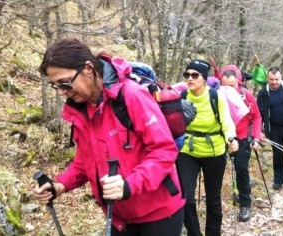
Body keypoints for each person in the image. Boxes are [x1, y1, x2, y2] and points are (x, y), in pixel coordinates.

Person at [34, 39, 185, 236]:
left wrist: (130, 184)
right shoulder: (82, 109)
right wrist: (61, 184)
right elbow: (85, 160)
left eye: (65, 83)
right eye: (56, 86)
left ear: (88, 69)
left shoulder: (131, 96)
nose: (62, 92)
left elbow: (164, 150)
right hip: (119, 215)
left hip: (159, 214)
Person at [176, 59, 238, 236]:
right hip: (188, 150)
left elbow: (226, 121)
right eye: (187, 75)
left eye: (194, 75)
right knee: (186, 198)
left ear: (203, 78)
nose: (190, 78)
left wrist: (231, 138)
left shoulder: (215, 96)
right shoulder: (181, 97)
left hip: (214, 151)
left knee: (213, 199)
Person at [220, 65, 262, 222]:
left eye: (232, 85)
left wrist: (256, 137)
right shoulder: (216, 96)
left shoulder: (247, 95)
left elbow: (257, 116)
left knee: (241, 168)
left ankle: (245, 203)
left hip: (244, 137)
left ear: (238, 83)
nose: (228, 89)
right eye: (225, 85)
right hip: (223, 136)